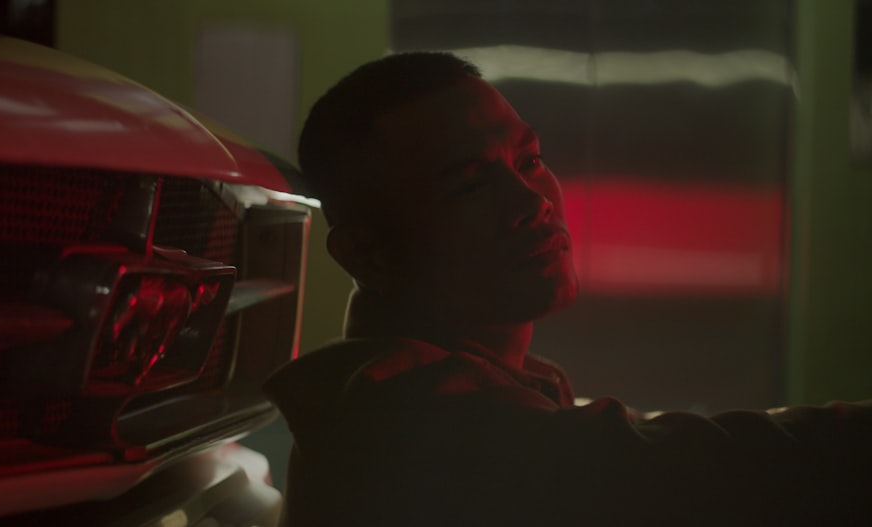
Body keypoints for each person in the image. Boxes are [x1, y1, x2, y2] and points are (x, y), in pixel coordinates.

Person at [263, 52, 872, 526]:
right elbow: (695, 470)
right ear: (370, 253)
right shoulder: (415, 427)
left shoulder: (484, 385)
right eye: (471, 186)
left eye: (529, 160)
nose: (532, 202)